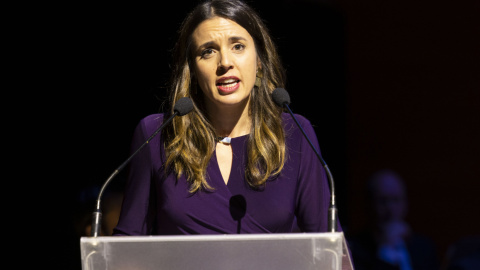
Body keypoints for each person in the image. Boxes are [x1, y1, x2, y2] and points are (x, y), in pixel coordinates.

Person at [113, 0, 343, 236]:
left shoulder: (294, 134)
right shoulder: (157, 134)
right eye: (208, 51)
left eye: (238, 46)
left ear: (260, 62)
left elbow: (328, 249)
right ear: (191, 70)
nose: (225, 62)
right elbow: (127, 244)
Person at [347, 169, 439, 270]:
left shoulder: (424, 248)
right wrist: (386, 250)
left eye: (396, 200)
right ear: (369, 204)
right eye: (382, 201)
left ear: (405, 203)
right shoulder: (353, 249)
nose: (390, 208)